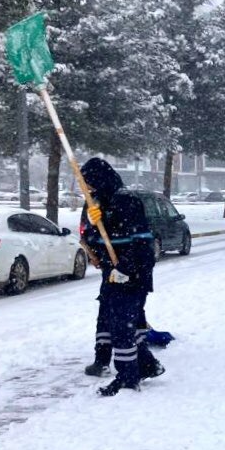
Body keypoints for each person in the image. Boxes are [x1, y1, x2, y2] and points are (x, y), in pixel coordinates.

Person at [81, 158, 160, 395]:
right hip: (112, 273)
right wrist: (94, 226)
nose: (87, 189)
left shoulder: (127, 202)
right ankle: (147, 365)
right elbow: (100, 242)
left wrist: (125, 269)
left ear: (100, 180)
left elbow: (142, 243)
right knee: (123, 323)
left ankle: (127, 378)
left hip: (133, 273)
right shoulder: (99, 204)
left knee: (122, 326)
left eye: (89, 183)